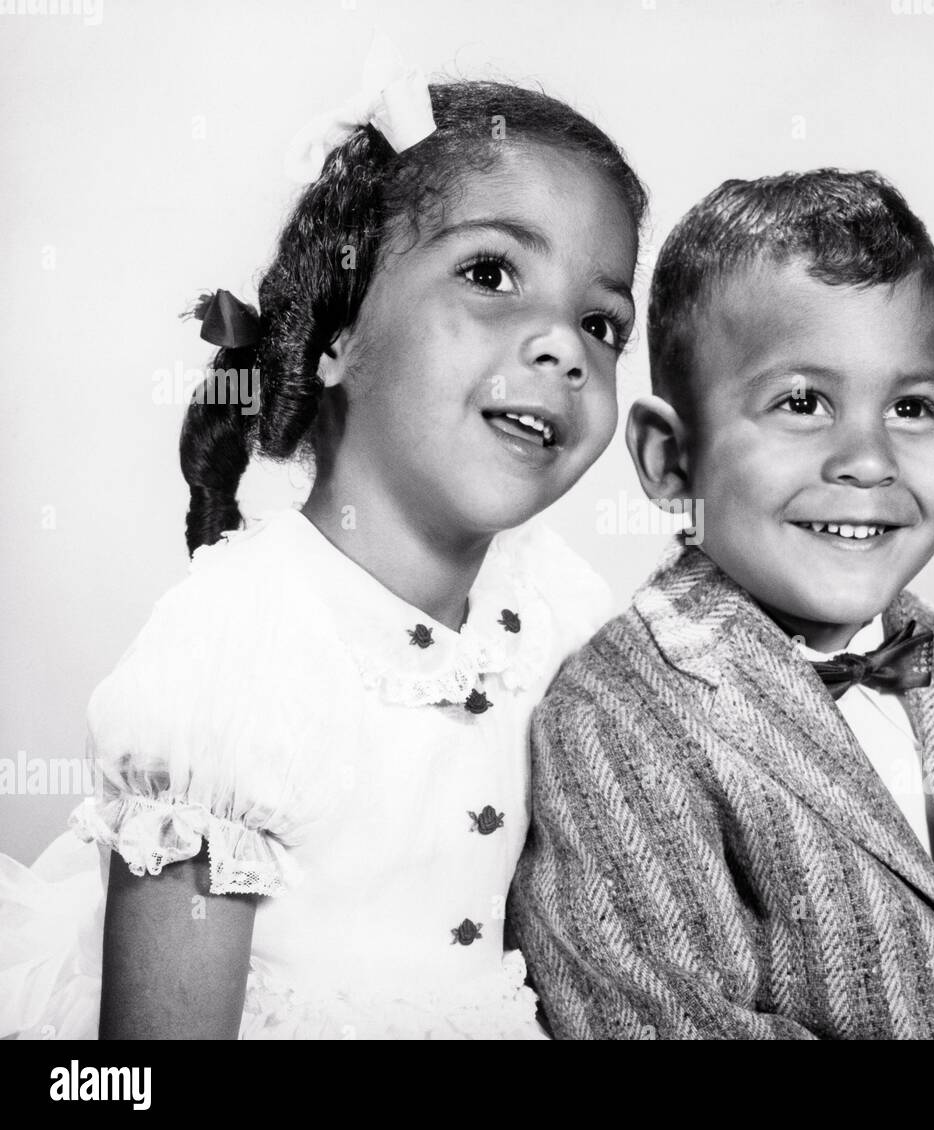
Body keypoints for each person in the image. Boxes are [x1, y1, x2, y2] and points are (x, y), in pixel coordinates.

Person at [0, 73, 645, 1039]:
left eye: (602, 322)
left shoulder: (557, 606)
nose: (563, 346)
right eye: (492, 274)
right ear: (337, 332)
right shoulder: (238, 651)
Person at [509, 169, 934, 1040]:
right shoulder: (617, 720)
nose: (868, 459)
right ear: (670, 461)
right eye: (804, 402)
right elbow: (663, 1020)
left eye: (910, 406)